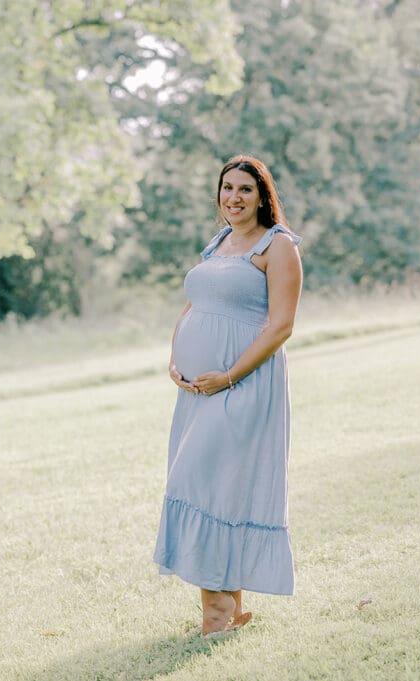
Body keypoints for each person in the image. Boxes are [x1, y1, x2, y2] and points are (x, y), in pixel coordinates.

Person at [153, 154, 303, 637]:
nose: (233, 198)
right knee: (214, 485)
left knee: (205, 481)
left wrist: (231, 376)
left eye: (244, 189)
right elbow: (196, 304)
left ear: (262, 196)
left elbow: (281, 325)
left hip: (244, 385)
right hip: (198, 391)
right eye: (226, 188)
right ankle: (228, 610)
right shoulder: (219, 243)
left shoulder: (277, 246)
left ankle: (216, 617)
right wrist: (176, 360)